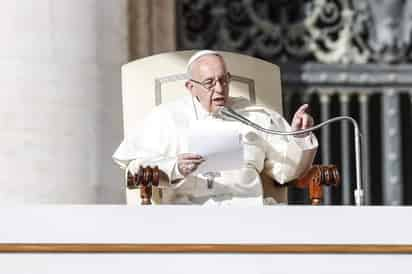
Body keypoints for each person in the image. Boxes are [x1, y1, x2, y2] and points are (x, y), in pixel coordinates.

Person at [113, 50, 318, 205]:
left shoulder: (255, 115)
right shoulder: (166, 117)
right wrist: (174, 167)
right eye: (209, 83)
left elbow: (288, 170)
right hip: (186, 220)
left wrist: (299, 136)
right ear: (191, 87)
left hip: (249, 217)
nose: (220, 89)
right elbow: (133, 167)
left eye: (223, 80)